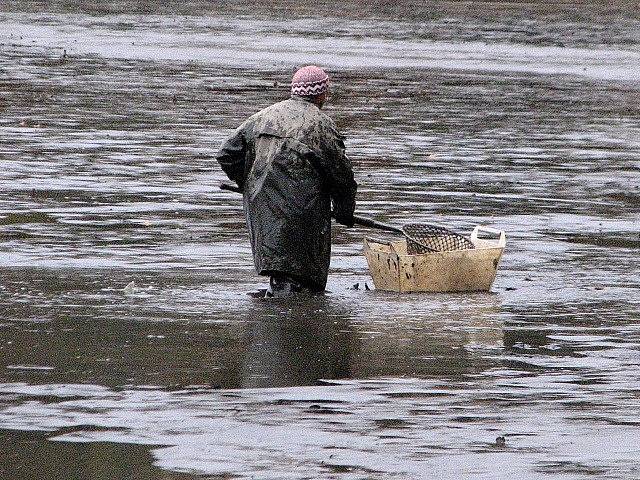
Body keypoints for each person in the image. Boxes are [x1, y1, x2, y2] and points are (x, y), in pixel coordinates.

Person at [216, 65, 357, 297]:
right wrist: (344, 210)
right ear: (321, 94)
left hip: (263, 207)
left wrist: (249, 184)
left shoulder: (261, 117)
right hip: (304, 212)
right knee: (302, 274)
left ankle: (279, 306)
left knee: (280, 267)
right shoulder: (321, 125)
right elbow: (341, 175)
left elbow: (227, 154)